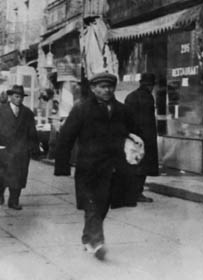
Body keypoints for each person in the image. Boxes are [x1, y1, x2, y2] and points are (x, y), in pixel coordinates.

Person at [54, 72, 138, 260]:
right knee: (92, 205)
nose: (107, 90)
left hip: (113, 168)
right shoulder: (81, 109)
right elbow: (66, 137)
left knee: (103, 206)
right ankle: (96, 242)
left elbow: (133, 135)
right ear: (93, 88)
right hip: (89, 168)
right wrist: (62, 165)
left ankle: (88, 236)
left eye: (110, 86)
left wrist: (134, 154)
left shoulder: (122, 110)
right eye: (102, 87)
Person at [0, 85, 38, 210]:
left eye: (21, 97)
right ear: (10, 96)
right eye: (16, 96)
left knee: (19, 177)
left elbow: (32, 132)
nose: (19, 99)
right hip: (4, 149)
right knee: (0, 176)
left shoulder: (27, 113)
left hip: (21, 151)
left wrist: (34, 147)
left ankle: (14, 201)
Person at [124, 72, 159, 203]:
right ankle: (137, 193)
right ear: (151, 85)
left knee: (132, 164)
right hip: (145, 137)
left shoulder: (130, 96)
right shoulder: (148, 97)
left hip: (131, 137)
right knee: (142, 167)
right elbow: (148, 121)